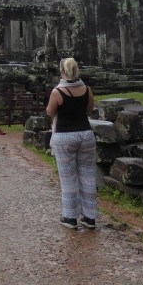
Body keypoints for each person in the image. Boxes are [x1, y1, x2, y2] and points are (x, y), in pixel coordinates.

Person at [45, 57, 97, 229]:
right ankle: (90, 218)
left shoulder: (57, 92)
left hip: (65, 135)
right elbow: (89, 110)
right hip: (86, 134)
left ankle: (70, 217)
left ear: (62, 71)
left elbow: (50, 112)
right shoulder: (87, 89)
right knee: (88, 176)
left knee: (68, 177)